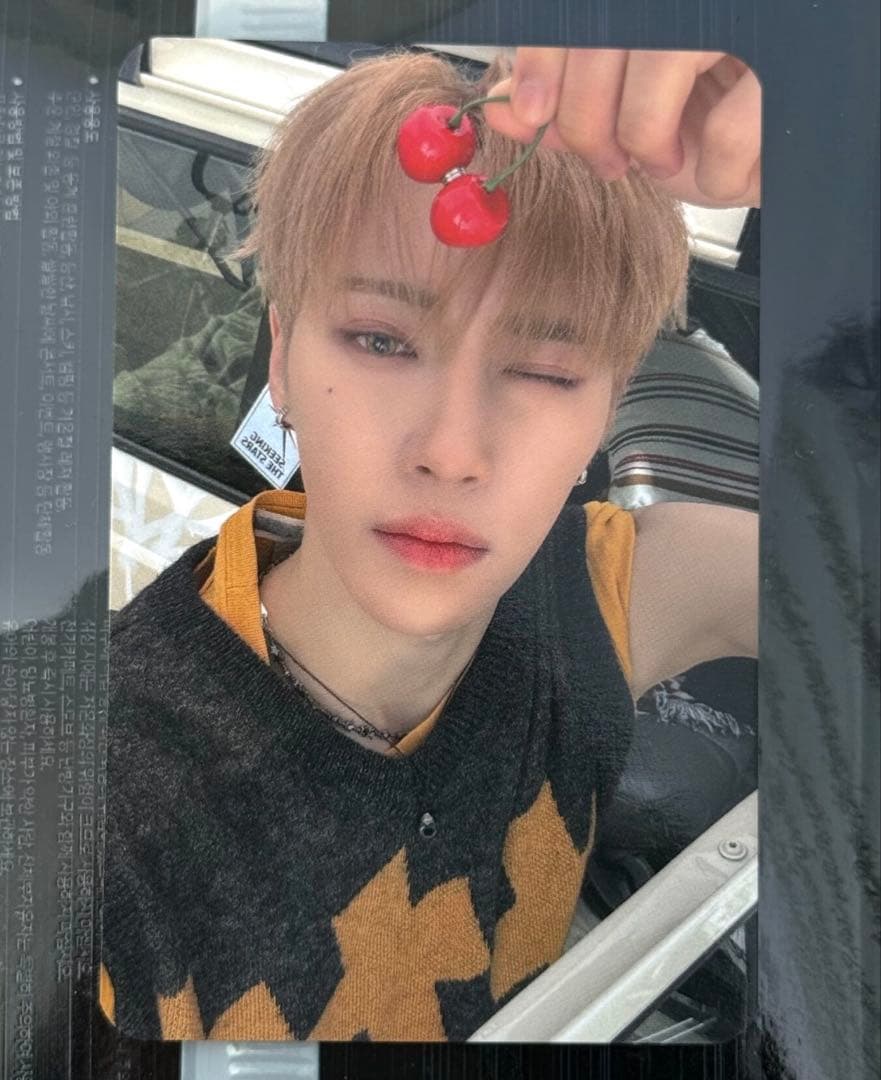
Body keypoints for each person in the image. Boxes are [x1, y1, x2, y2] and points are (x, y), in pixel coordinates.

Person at [100, 47, 760, 1042]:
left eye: (544, 371)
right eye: (380, 341)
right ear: (281, 358)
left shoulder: (600, 595)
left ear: (608, 409)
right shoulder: (87, 796)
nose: (451, 452)